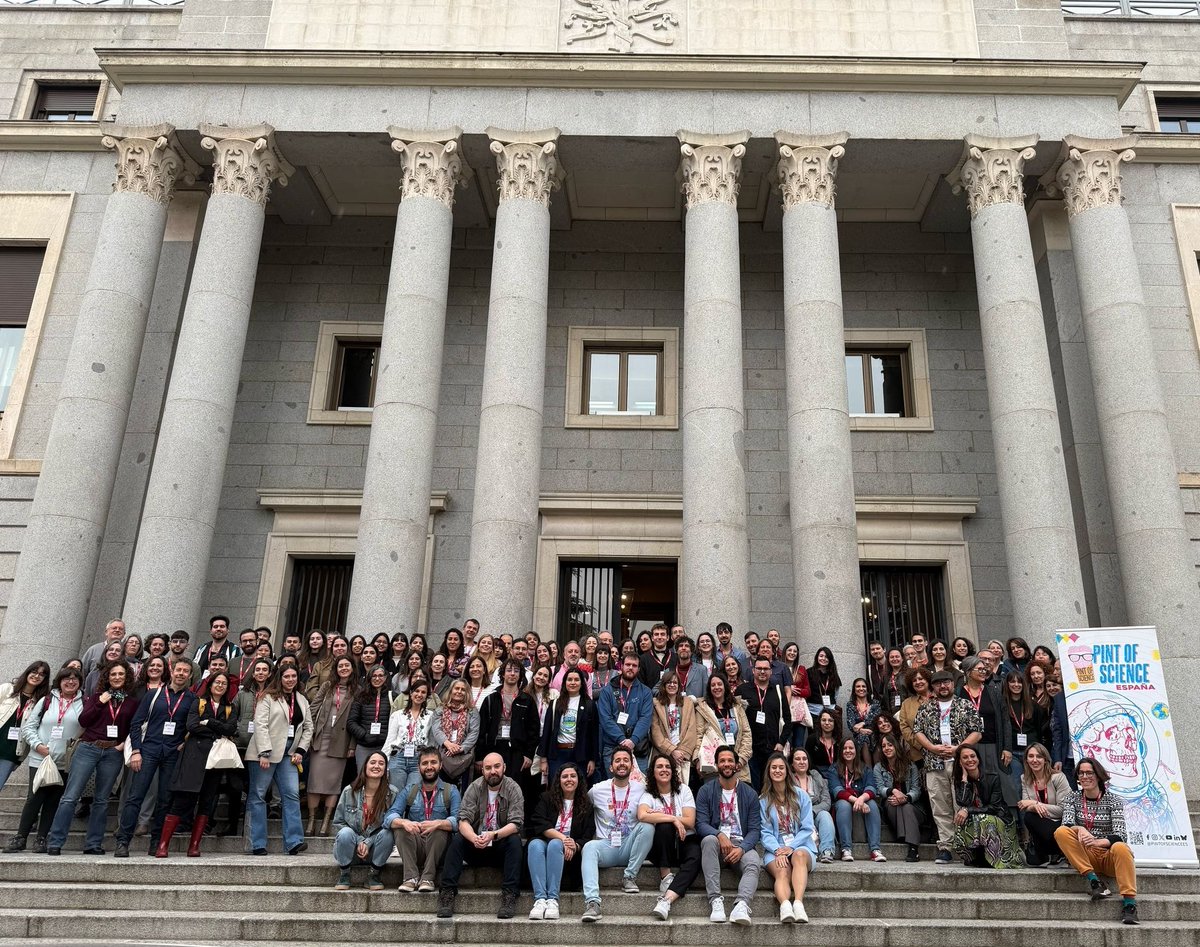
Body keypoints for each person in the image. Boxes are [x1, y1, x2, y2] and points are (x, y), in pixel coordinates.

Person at [46, 661, 138, 855]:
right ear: (108, 677)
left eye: (121, 674)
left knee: (102, 800)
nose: (117, 677)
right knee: (70, 796)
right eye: (113, 674)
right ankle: (55, 841)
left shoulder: (131, 702)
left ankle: (93, 844)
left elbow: (134, 726)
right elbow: (84, 721)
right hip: (89, 748)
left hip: (113, 752)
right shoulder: (96, 697)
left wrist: (123, 742)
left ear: (127, 677)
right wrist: (100, 702)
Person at [116, 657, 197, 857]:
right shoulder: (154, 694)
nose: (181, 674)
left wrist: (184, 743)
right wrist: (136, 751)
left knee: (165, 800)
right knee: (136, 796)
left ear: (190, 675)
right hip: (148, 750)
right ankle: (123, 841)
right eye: (178, 670)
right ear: (172, 670)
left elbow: (193, 727)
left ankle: (156, 842)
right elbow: (136, 723)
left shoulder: (192, 699)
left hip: (172, 753)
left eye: (185, 671)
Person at [158, 671, 239, 857]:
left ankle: (194, 845)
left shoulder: (230, 708)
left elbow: (231, 729)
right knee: (182, 800)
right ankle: (163, 845)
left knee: (207, 802)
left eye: (223, 683)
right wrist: (217, 729)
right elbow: (192, 726)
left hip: (215, 760)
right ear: (210, 684)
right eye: (217, 682)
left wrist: (209, 722)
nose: (220, 685)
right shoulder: (199, 702)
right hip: (194, 757)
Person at [436, 752, 525, 920]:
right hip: (477, 846)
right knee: (458, 840)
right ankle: (447, 894)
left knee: (514, 841)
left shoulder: (513, 788)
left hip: (500, 847)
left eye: (497, 767)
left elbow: (516, 824)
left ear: (504, 768)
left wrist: (494, 835)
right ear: (482, 770)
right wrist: (473, 838)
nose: (493, 771)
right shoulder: (475, 787)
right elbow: (463, 821)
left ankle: (509, 895)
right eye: (488, 768)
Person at [8, 666, 84, 853]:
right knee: (34, 799)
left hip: (65, 761)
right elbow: (29, 727)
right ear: (60, 680)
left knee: (53, 801)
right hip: (41, 758)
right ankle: (20, 837)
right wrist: (38, 746)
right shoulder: (47, 700)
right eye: (67, 678)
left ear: (80, 683)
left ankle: (41, 839)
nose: (71, 681)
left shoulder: (84, 703)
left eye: (75, 678)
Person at [1054, 757, 1139, 924]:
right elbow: (1068, 823)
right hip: (1086, 855)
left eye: (1089, 773)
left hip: (1109, 857)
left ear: (1098, 775)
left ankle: (1129, 904)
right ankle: (1095, 882)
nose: (1085, 776)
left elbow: (1121, 834)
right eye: (1081, 773)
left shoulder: (1112, 800)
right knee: (1061, 831)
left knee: (1121, 847)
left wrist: (1099, 842)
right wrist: (1081, 829)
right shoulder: (1072, 797)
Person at [913, 669, 983, 864]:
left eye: (947, 683)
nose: (943, 686)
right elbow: (917, 731)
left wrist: (958, 749)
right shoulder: (926, 708)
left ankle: (965, 845)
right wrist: (932, 748)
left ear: (953, 684)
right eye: (938, 683)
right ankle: (945, 847)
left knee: (961, 804)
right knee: (940, 807)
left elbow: (977, 732)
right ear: (933, 687)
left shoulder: (965, 705)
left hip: (960, 764)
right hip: (934, 763)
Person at [579, 746, 654, 922]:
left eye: (626, 760)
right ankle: (592, 903)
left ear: (632, 766)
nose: (622, 764)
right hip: (607, 846)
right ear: (611, 766)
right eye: (617, 760)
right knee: (589, 847)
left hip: (631, 845)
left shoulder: (642, 789)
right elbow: (582, 809)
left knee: (648, 826)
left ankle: (629, 877)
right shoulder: (597, 790)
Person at [248, 664, 314, 856]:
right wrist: (264, 752)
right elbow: (260, 725)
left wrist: (301, 749)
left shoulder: (301, 699)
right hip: (265, 753)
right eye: (286, 676)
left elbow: (308, 727)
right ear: (280, 677)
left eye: (294, 676)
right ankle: (257, 843)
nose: (291, 679)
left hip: (290, 753)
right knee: (258, 795)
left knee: (292, 794)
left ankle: (294, 841)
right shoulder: (268, 697)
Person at [694, 746, 761, 925]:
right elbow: (700, 824)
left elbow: (755, 830)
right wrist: (719, 834)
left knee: (754, 862)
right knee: (708, 840)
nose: (726, 764)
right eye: (722, 761)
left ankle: (742, 904)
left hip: (740, 845)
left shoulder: (750, 793)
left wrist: (742, 848)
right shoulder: (706, 791)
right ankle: (715, 900)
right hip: (717, 845)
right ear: (716, 765)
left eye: (730, 760)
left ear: (737, 765)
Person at [527, 761, 595, 920]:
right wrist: (565, 839)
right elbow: (540, 823)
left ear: (579, 779)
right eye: (565, 776)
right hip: (545, 847)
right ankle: (540, 900)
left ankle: (552, 900)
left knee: (556, 844)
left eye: (573, 776)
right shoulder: (546, 798)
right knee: (535, 844)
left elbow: (588, 835)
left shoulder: (586, 805)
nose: (569, 779)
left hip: (570, 858)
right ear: (559, 780)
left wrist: (575, 845)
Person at [388, 746, 460, 893]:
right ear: (419, 767)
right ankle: (410, 878)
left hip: (439, 849)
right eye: (424, 763)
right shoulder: (409, 790)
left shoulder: (451, 790)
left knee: (439, 829)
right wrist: (404, 822)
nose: (429, 767)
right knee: (400, 829)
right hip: (416, 846)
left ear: (440, 765)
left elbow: (458, 820)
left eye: (433, 762)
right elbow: (390, 816)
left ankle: (428, 878)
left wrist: (439, 823)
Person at [639, 754, 700, 921]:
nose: (664, 770)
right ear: (653, 771)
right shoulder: (648, 794)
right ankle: (665, 876)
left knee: (696, 856)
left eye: (667, 766)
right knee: (664, 826)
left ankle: (667, 900)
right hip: (661, 847)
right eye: (659, 766)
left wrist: (659, 814)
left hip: (684, 840)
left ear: (673, 771)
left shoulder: (684, 790)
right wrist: (672, 818)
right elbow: (642, 815)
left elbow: (690, 821)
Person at [759, 751, 815, 923]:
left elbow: (807, 828)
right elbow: (765, 831)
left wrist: (791, 847)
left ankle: (798, 904)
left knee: (798, 856)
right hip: (774, 848)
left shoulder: (801, 796)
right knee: (782, 869)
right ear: (769, 772)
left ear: (787, 771)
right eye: (774, 768)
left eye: (781, 768)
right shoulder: (763, 800)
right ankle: (785, 907)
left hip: (801, 845)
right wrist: (778, 849)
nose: (777, 771)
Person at [306, 655, 357, 836]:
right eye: (340, 665)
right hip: (321, 737)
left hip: (341, 741)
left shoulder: (356, 690)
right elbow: (313, 707)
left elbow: (356, 719)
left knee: (333, 783)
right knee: (315, 780)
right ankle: (312, 820)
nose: (343, 668)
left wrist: (352, 745)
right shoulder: (328, 686)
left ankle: (326, 821)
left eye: (347, 665)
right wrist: (309, 732)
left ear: (352, 668)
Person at [330, 750, 395, 891]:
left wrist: (368, 842)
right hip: (350, 848)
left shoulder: (392, 793)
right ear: (365, 766)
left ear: (385, 769)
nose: (376, 766)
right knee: (345, 832)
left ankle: (374, 874)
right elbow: (338, 822)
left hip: (375, 851)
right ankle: (345, 874)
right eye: (372, 762)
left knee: (389, 833)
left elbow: (391, 824)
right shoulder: (349, 791)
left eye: (381, 763)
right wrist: (359, 840)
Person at [950, 743, 1023, 868]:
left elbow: (994, 807)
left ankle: (994, 858)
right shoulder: (960, 780)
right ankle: (976, 856)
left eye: (973, 756)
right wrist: (964, 780)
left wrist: (968, 810)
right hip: (979, 822)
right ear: (960, 762)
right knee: (961, 820)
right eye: (965, 757)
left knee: (983, 819)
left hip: (1000, 821)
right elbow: (962, 803)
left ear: (978, 758)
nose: (970, 760)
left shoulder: (992, 777)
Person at [476, 659, 539, 797]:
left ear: (520, 675)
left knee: (516, 789)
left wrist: (529, 754)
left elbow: (533, 730)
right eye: (509, 670)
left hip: (518, 751)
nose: (512, 674)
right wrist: (480, 756)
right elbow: (482, 730)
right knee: (493, 787)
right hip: (494, 747)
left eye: (516, 671)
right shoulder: (491, 699)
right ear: (503, 674)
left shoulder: (527, 700)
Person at [228, 657, 273, 838]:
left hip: (261, 750)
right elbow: (232, 714)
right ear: (252, 673)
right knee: (235, 788)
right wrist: (234, 731)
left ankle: (251, 829)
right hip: (240, 746)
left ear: (270, 673)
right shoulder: (242, 693)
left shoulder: (273, 694)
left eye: (264, 670)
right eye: (258, 670)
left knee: (257, 790)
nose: (261, 672)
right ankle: (232, 826)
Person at [595, 653, 653, 778]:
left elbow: (645, 718)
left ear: (638, 668)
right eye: (627, 664)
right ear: (621, 666)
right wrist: (621, 739)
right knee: (614, 787)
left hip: (638, 748)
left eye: (634, 665)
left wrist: (633, 740)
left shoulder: (646, 692)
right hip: (612, 747)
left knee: (640, 789)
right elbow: (605, 719)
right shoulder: (607, 691)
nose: (630, 668)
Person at [738, 656, 791, 789]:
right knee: (753, 787)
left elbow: (788, 719)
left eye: (766, 669)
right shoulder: (742, 690)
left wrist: (781, 742)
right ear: (753, 670)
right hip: (750, 750)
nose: (762, 671)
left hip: (772, 748)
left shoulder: (778, 691)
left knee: (771, 787)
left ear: (771, 671)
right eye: (759, 668)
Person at [829, 737, 884, 862]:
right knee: (843, 804)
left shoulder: (865, 769)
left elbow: (871, 788)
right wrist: (857, 800)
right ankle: (846, 849)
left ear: (856, 751)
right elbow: (837, 791)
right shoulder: (834, 769)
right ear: (841, 751)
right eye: (845, 748)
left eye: (851, 748)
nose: (848, 751)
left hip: (862, 801)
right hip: (844, 804)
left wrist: (862, 799)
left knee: (873, 804)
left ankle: (875, 849)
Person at [0, 661, 51, 792]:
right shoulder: (7, 689)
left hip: (11, 752)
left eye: (42, 674)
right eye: (34, 672)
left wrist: (20, 759)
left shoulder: (40, 702)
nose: (37, 676)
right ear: (28, 672)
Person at [539, 667, 597, 781]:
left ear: (582, 683)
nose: (573, 683)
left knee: (579, 790)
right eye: (569, 679)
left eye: (576, 680)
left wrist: (592, 759)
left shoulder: (590, 705)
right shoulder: (555, 703)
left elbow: (594, 734)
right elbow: (547, 731)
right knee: (556, 790)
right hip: (558, 754)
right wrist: (543, 759)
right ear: (565, 682)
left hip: (580, 755)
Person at [873, 732, 922, 861]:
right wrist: (893, 791)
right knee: (892, 803)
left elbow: (916, 790)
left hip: (911, 806)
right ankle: (905, 836)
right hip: (891, 805)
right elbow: (879, 788)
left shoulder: (910, 766)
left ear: (896, 746)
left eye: (890, 745)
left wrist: (906, 798)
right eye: (883, 746)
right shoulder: (879, 767)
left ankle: (913, 848)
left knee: (906, 807)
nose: (887, 748)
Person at [693, 672, 751, 783]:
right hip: (713, 768)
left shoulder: (737, 707)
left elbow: (746, 734)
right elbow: (698, 736)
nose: (716, 687)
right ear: (709, 688)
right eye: (713, 685)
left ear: (725, 686)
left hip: (737, 767)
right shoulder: (703, 709)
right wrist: (697, 760)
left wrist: (741, 759)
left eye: (719, 684)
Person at [1018, 742, 1069, 866]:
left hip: (1061, 823)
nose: (1035, 760)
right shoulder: (1024, 778)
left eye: (1039, 756)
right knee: (1029, 817)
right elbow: (1025, 806)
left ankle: (1060, 851)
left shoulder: (1058, 777)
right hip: (1042, 823)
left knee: (1033, 816)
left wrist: (1034, 803)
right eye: (1031, 756)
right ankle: (1047, 853)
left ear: (1046, 760)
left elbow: (1063, 809)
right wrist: (1033, 806)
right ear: (1026, 759)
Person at [383, 678, 433, 789]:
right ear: (411, 693)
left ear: (426, 696)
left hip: (419, 758)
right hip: (398, 757)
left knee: (412, 794)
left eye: (423, 692)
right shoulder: (397, 715)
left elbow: (432, 742)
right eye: (417, 691)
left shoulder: (431, 716)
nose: (419, 694)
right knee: (395, 793)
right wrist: (384, 763)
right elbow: (389, 740)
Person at [431, 679, 480, 790]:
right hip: (443, 754)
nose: (459, 691)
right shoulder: (440, 709)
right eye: (456, 688)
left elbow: (474, 733)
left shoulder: (472, 711)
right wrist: (448, 744)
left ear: (467, 693)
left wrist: (460, 748)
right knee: (442, 790)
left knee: (462, 790)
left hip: (464, 757)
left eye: (463, 689)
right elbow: (436, 730)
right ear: (451, 690)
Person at [650, 669, 697, 784]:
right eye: (669, 682)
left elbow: (692, 729)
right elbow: (655, 731)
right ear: (664, 685)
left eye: (675, 683)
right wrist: (671, 751)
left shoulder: (687, 703)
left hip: (682, 756)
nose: (672, 685)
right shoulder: (655, 703)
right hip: (662, 754)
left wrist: (681, 753)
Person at [790, 746, 836, 863]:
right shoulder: (788, 780)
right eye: (798, 759)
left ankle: (827, 851)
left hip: (815, 813)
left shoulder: (816, 777)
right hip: (796, 816)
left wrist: (812, 810)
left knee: (825, 815)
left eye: (804, 759)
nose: (802, 762)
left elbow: (826, 801)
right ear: (792, 763)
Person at [348, 665, 393, 771]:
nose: (377, 679)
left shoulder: (392, 696)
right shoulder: (361, 696)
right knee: (362, 776)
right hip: (364, 746)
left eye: (380, 675)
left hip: (384, 747)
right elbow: (351, 721)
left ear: (386, 678)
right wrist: (363, 734)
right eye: (374, 676)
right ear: (369, 678)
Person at [897, 666, 933, 764]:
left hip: (943, 749)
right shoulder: (906, 704)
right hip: (919, 754)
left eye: (921, 679)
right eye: (914, 680)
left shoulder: (939, 698)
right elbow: (904, 728)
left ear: (928, 680)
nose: (918, 682)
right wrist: (922, 745)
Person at [844, 677, 880, 766]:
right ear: (854, 690)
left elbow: (876, 719)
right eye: (858, 686)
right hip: (858, 735)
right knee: (863, 737)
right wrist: (860, 730)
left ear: (867, 689)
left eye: (863, 686)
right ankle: (869, 770)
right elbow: (851, 724)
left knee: (875, 737)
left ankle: (877, 770)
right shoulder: (851, 705)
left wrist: (862, 723)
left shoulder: (875, 703)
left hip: (874, 732)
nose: (861, 689)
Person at [805, 708, 842, 782]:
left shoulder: (839, 741)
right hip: (817, 775)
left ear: (835, 723)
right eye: (824, 720)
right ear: (819, 722)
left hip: (836, 774)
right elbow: (809, 762)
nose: (827, 723)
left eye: (830, 720)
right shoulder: (812, 739)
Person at [806, 647, 841, 722]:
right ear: (817, 657)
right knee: (814, 734)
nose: (823, 658)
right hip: (813, 711)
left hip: (830, 711)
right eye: (821, 656)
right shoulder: (809, 672)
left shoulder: (833, 673)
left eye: (826, 657)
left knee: (829, 733)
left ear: (830, 659)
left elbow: (836, 693)